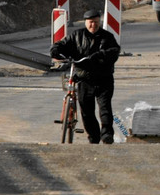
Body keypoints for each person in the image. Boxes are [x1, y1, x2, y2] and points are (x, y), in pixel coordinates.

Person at [50, 9, 121, 144]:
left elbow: (114, 51)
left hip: (103, 79)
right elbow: (61, 45)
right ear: (85, 22)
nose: (93, 25)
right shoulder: (77, 35)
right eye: (90, 23)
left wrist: (101, 56)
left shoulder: (107, 37)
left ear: (99, 22)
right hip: (84, 79)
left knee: (104, 107)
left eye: (95, 22)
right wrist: (55, 50)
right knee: (87, 111)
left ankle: (106, 134)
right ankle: (93, 137)